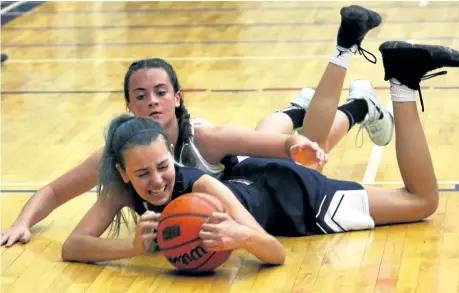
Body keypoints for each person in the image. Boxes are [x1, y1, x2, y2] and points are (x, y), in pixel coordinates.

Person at [1, 5, 393, 247]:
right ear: (128, 105)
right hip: (236, 176)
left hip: (241, 178)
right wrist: (22, 222)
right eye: (141, 96)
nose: (151, 101)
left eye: (159, 92)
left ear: (177, 97)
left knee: (306, 146)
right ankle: (305, 107)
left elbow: (286, 148)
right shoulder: (119, 153)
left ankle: (357, 106)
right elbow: (54, 190)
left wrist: (297, 146)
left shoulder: (202, 139)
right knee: (281, 136)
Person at [60, 36, 459, 264]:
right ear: (123, 172)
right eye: (143, 172)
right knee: (306, 140)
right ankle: (331, 104)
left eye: (163, 166)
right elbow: (73, 246)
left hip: (298, 202)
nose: (157, 179)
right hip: (255, 176)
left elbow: (273, 252)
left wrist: (241, 237)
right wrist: (130, 248)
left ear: (172, 155)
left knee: (422, 200)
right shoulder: (124, 183)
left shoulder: (202, 185)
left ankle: (401, 81)